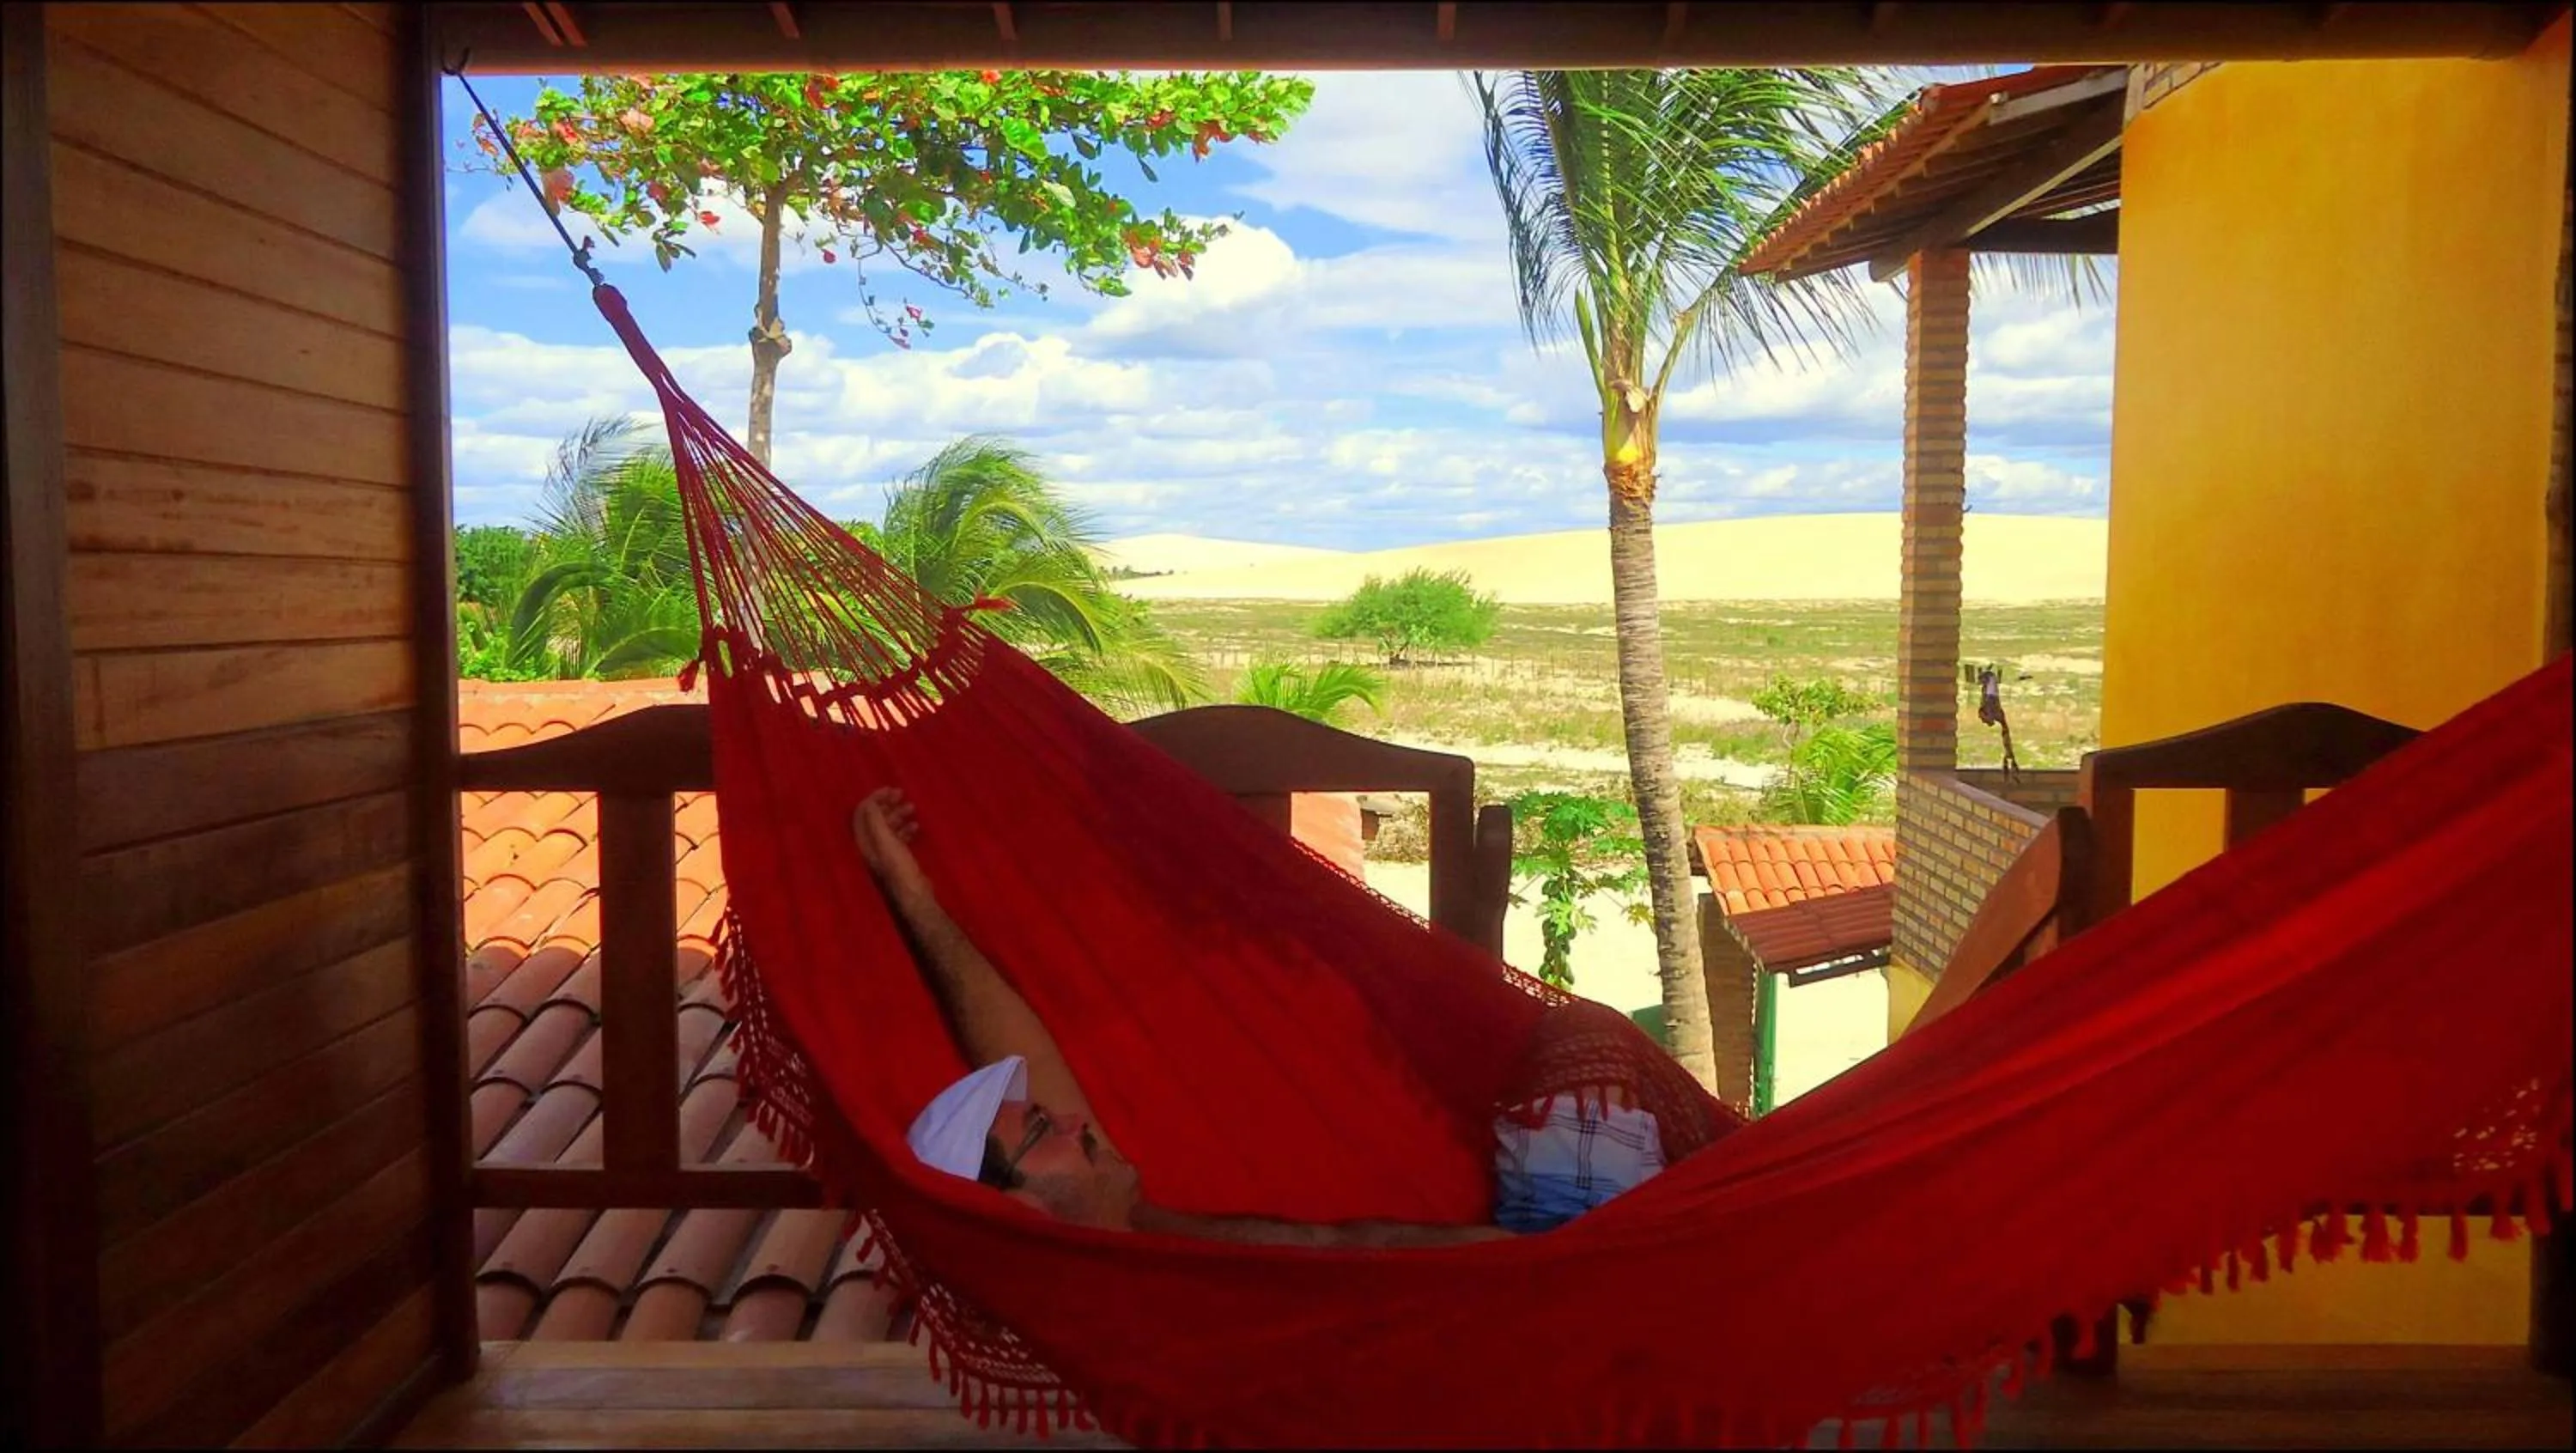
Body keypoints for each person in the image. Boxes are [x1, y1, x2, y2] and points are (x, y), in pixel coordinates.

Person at [856, 787, 1662, 1247]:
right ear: (1017, 1211)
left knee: (1588, 1037)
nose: (1073, 1122)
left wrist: (914, 898)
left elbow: (1016, 1042)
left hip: (1523, 1269)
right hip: (1514, 1333)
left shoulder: (1134, 1227)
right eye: (1040, 1133)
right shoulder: (1124, 1297)